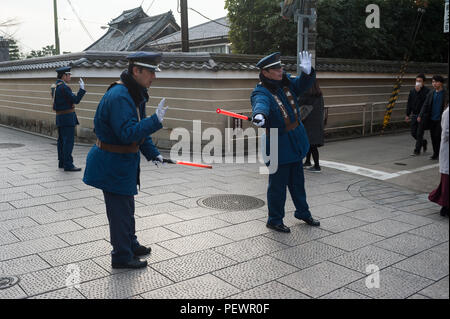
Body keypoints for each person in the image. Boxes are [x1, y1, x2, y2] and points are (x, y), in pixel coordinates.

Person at [83, 52, 168, 269]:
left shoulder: (133, 92)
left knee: (126, 208)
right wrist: (155, 121)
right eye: (150, 72)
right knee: (120, 212)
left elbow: (139, 132)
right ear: (136, 71)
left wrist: (152, 152)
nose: (154, 77)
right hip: (112, 163)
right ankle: (121, 256)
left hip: (122, 162)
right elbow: (128, 133)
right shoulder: (121, 95)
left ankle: (130, 243)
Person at [251, 51, 321, 233]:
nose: (280, 70)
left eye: (280, 66)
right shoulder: (261, 90)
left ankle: (303, 212)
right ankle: (274, 220)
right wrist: (259, 114)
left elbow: (304, 85)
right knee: (278, 186)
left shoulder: (286, 82)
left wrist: (307, 72)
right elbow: (260, 102)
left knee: (298, 183)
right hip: (278, 145)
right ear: (265, 72)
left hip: (296, 140)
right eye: (276, 69)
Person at [51, 66, 86, 172]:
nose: (70, 76)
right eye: (69, 74)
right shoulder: (64, 87)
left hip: (60, 117)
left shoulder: (55, 86)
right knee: (68, 141)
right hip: (67, 118)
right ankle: (68, 164)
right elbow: (75, 100)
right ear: (64, 75)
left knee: (61, 141)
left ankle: (61, 162)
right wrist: (82, 90)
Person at [418, 75, 448, 160]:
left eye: (436, 82)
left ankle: (441, 153)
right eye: (433, 82)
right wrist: (420, 115)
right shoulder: (431, 93)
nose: (434, 84)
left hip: (441, 119)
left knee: (439, 136)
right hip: (431, 119)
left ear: (441, 83)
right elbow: (425, 104)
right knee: (433, 137)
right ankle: (435, 153)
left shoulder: (446, 93)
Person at [299, 80, 325, 172]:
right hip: (317, 122)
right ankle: (307, 161)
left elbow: (298, 102)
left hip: (308, 122)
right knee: (310, 143)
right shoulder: (319, 94)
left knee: (311, 144)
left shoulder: (306, 94)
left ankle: (317, 166)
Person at [429, 100, 449, 217]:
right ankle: (445, 207)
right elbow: (446, 132)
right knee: (447, 183)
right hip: (447, 151)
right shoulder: (447, 112)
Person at [406, 74, 430, 156]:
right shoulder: (412, 91)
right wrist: (407, 114)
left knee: (419, 133)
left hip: (423, 115)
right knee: (413, 133)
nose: (418, 82)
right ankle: (423, 142)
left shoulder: (427, 91)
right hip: (414, 114)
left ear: (423, 82)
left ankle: (417, 150)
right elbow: (409, 103)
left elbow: (426, 103)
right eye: (417, 81)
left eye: (420, 81)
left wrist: (419, 92)